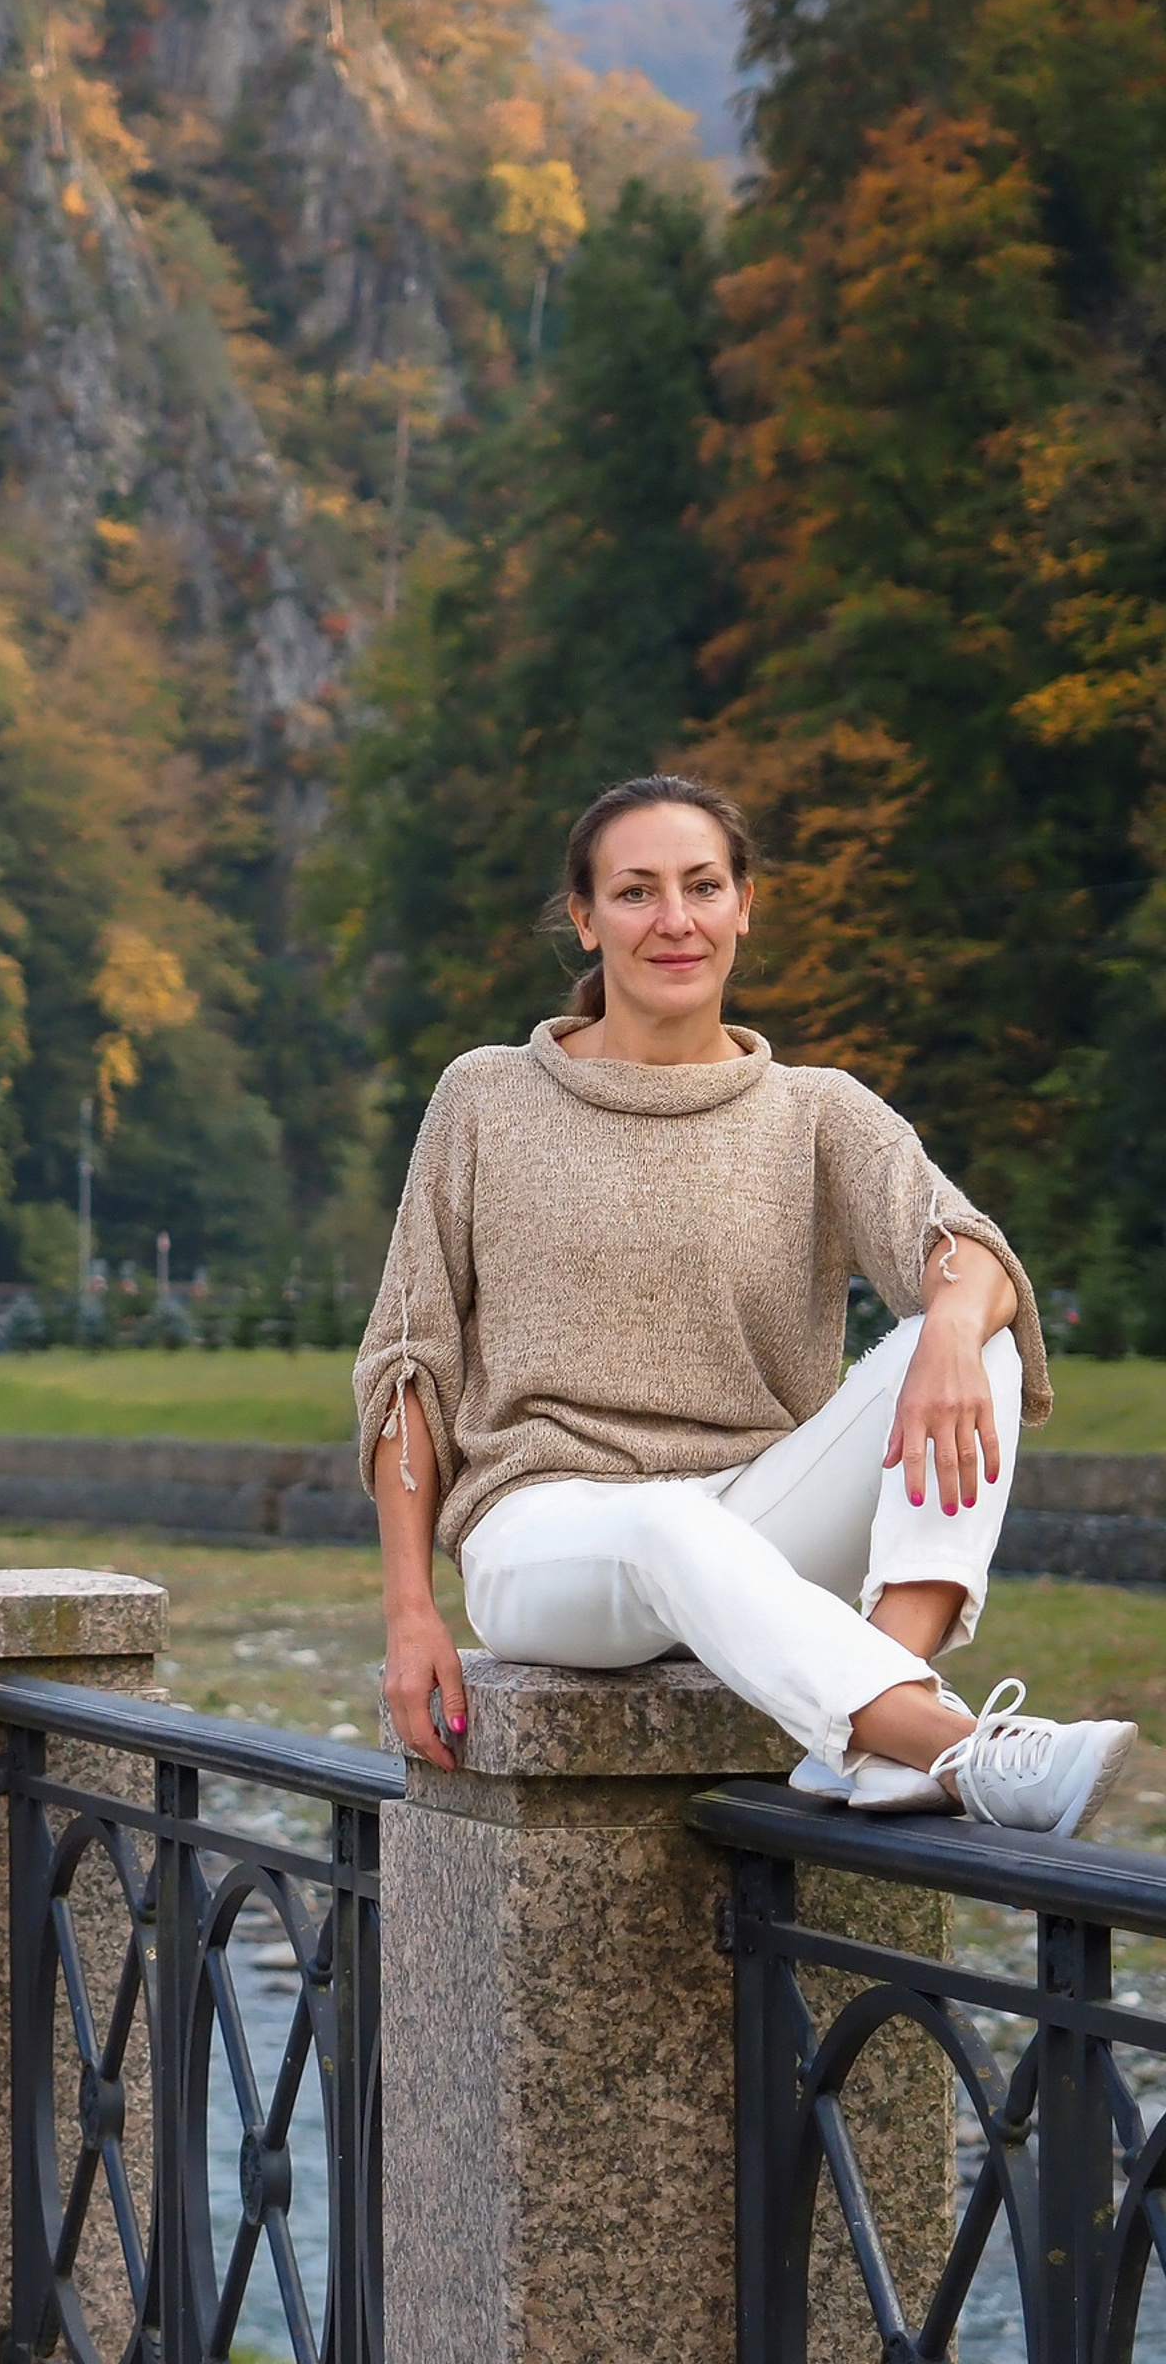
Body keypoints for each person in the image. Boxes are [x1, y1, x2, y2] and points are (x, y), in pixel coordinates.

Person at [361, 773, 1137, 1836]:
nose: (674, 920)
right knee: (664, 1520)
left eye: (702, 886)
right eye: (635, 892)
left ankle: (874, 1722)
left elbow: (968, 1251)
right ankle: (951, 1746)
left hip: (755, 1521)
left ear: (743, 904)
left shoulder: (814, 1110)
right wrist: (410, 1613)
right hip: (545, 1537)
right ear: (584, 920)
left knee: (976, 1340)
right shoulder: (485, 1097)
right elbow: (407, 1364)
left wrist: (953, 1326)